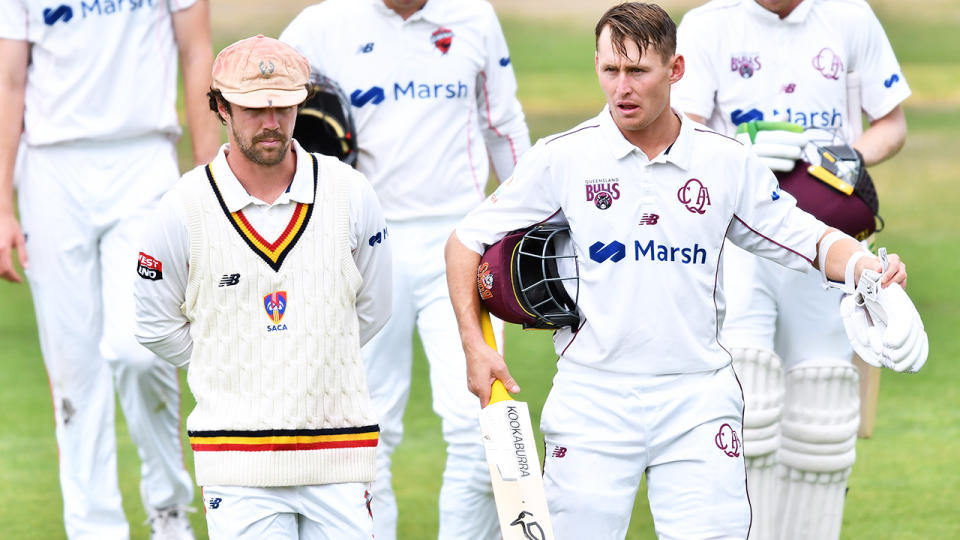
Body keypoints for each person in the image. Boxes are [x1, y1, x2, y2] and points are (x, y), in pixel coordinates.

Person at [443, 3, 911, 539]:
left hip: (698, 401)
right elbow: (465, 239)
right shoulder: (562, 157)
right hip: (593, 398)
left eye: (638, 71)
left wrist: (868, 269)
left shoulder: (726, 161)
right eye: (610, 70)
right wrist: (474, 344)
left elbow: (804, 236)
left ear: (676, 70)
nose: (622, 87)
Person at [279, 1, 531, 538]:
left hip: (463, 245)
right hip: (361, 246)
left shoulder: (474, 17)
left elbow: (504, 126)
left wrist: (534, 226)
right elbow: (263, 102)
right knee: (366, 436)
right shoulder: (322, 24)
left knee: (478, 428)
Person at [132, 35, 392, 539]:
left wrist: (305, 352)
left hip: (339, 457)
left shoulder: (350, 192)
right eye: (253, 108)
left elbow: (374, 308)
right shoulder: (182, 206)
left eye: (283, 106)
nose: (270, 122)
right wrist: (230, 361)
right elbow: (153, 324)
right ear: (222, 108)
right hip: (235, 464)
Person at [672, 1, 911, 537]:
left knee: (821, 405)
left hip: (829, 240)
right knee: (745, 400)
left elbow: (891, 124)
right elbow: (680, 130)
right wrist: (738, 152)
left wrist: (845, 159)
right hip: (737, 241)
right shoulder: (709, 24)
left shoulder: (849, 17)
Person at [0, 1, 220, 538]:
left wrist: (212, 177)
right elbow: (8, 81)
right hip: (52, 169)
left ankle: (168, 507)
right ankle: (93, 526)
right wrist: (2, 203)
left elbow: (196, 54)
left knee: (138, 349)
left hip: (143, 159)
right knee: (74, 366)